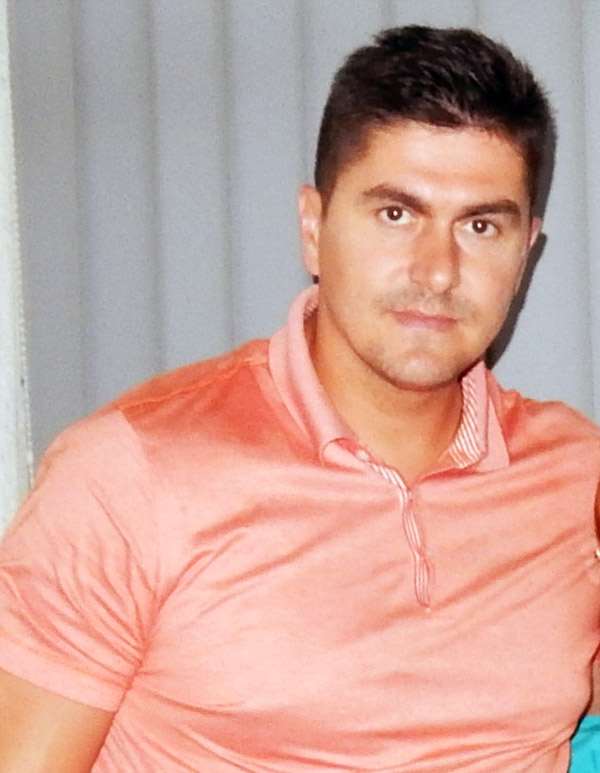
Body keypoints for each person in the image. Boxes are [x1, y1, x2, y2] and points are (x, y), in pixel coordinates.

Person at [0, 24, 598, 773]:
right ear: (313, 229)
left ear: (525, 251)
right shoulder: (130, 473)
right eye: (396, 214)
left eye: (480, 226)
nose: (438, 271)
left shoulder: (575, 475)